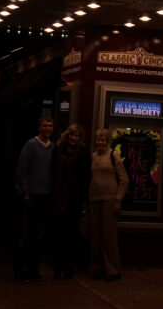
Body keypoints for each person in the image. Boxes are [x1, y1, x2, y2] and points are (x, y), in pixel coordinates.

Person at [14, 115, 55, 282]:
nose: (47, 128)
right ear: (39, 127)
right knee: (24, 234)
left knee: (38, 235)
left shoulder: (53, 147)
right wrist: (23, 191)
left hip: (45, 196)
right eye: (44, 125)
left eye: (50, 126)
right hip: (30, 195)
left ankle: (34, 269)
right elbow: (21, 169)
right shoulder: (31, 145)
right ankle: (21, 270)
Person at [89, 128, 129, 282]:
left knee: (109, 236)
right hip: (94, 199)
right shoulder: (93, 156)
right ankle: (96, 268)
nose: (100, 142)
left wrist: (118, 199)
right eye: (98, 139)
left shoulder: (114, 155)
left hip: (109, 199)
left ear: (108, 141)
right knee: (96, 236)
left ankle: (112, 269)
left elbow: (124, 179)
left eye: (103, 140)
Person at [52, 123, 91, 279]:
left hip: (73, 200)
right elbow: (52, 172)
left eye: (76, 136)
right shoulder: (58, 151)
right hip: (58, 198)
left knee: (71, 236)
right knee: (58, 236)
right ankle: (57, 268)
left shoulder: (83, 154)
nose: (74, 138)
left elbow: (86, 178)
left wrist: (82, 200)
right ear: (67, 136)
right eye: (72, 135)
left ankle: (68, 269)